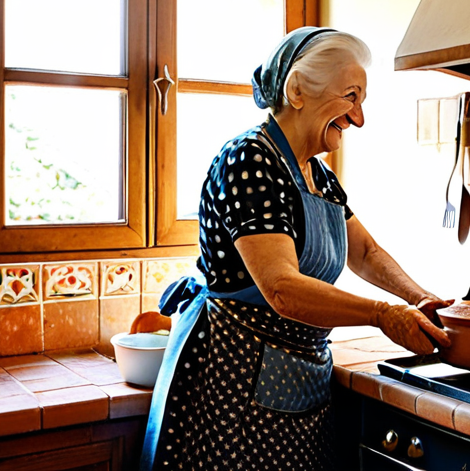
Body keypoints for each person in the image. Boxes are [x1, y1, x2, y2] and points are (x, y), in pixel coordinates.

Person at [140, 26, 452, 471]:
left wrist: (417, 297)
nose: (358, 118)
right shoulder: (249, 160)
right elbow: (282, 287)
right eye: (350, 97)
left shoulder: (317, 174)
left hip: (296, 380)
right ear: (298, 90)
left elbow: (365, 252)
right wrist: (382, 314)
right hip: (235, 385)